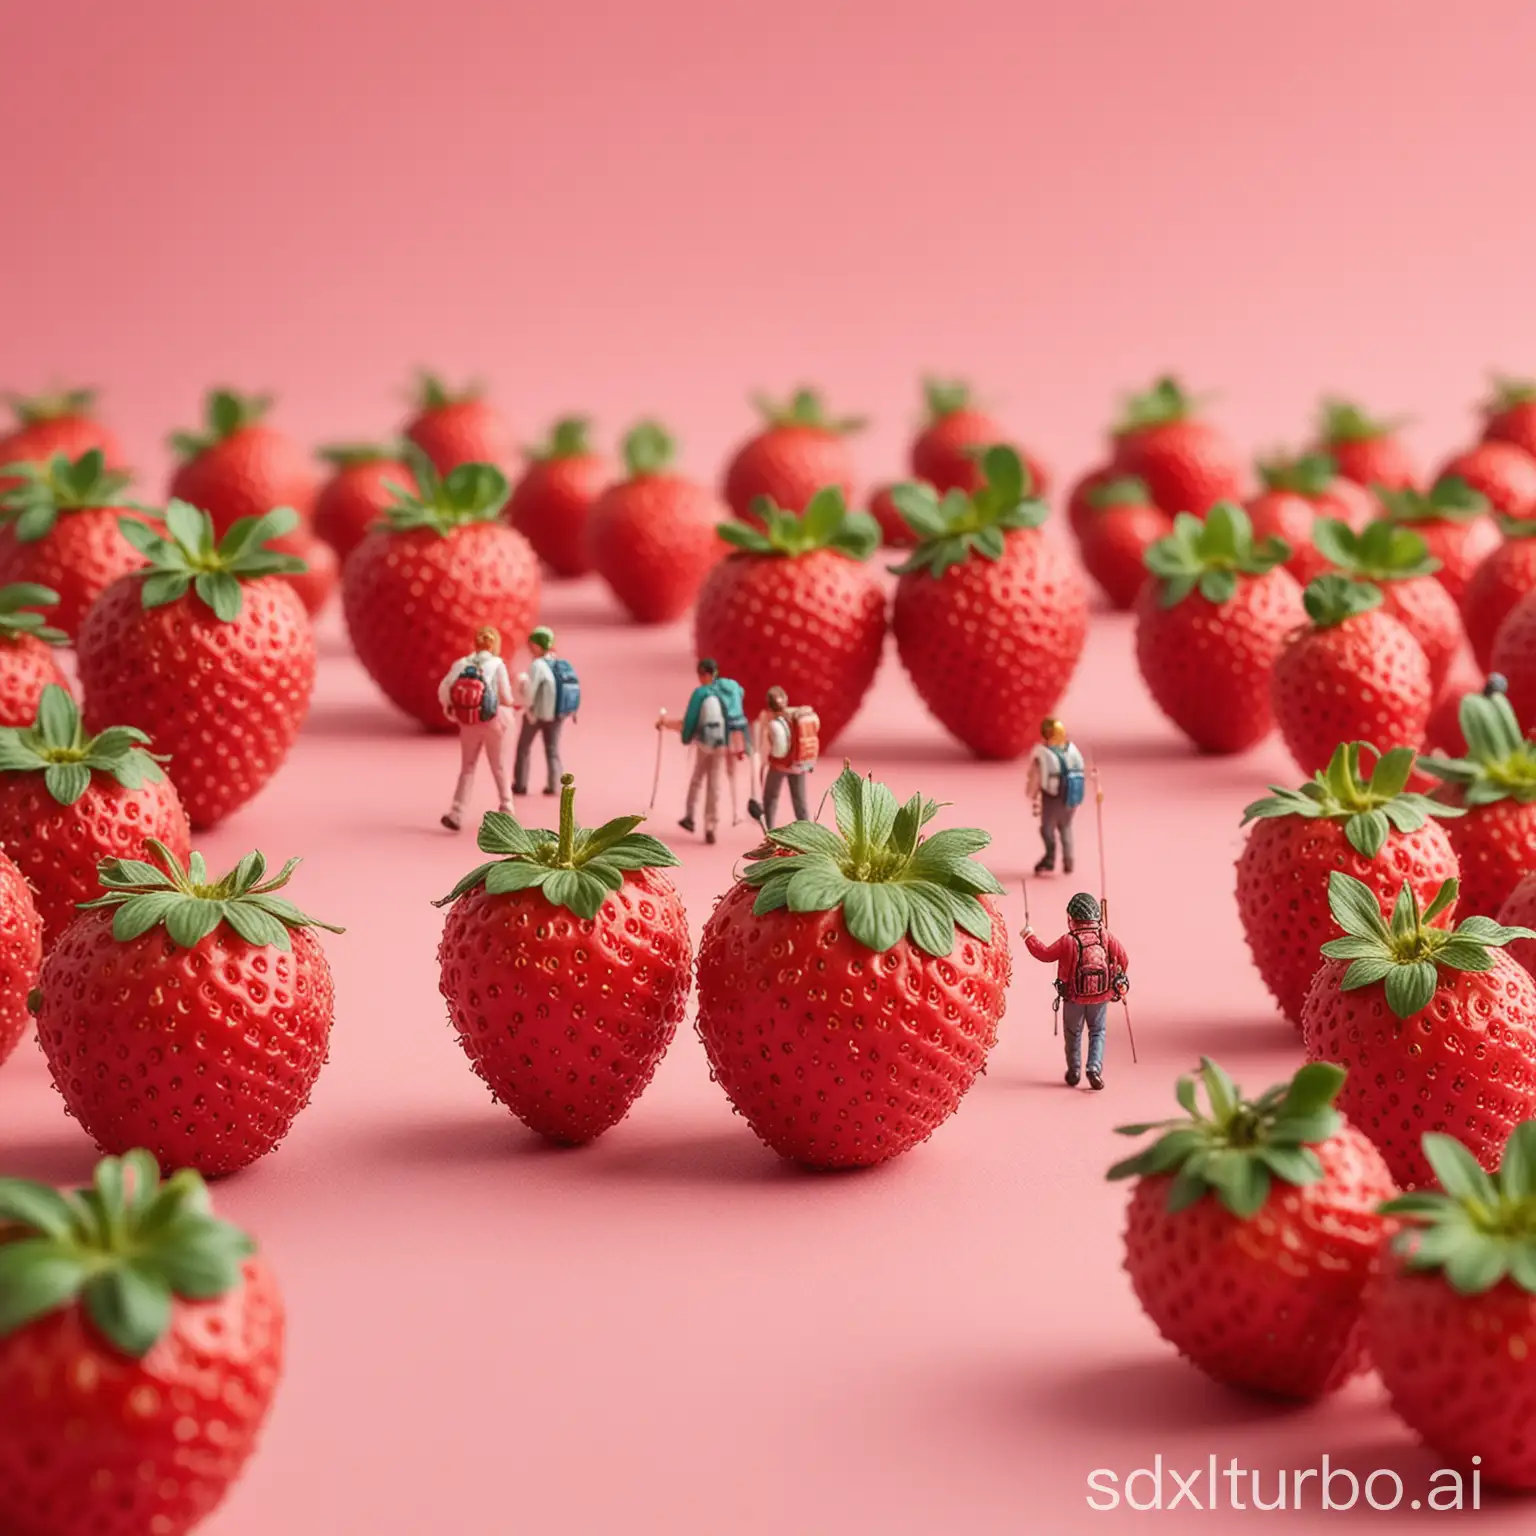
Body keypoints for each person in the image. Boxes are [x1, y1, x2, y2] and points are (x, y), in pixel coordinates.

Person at [1020, 892, 1128, 1090]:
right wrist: (1117, 978)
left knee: (1073, 1033)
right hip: (1101, 996)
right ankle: (1094, 1068)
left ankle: (1074, 1071)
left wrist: (1029, 936)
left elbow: (1044, 954)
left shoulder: (1068, 941)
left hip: (1073, 997)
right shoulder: (1105, 936)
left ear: (1071, 918)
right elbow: (1123, 959)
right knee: (1098, 1032)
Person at [438, 626, 518, 831]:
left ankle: (457, 812)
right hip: (493, 722)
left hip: (468, 723)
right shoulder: (497, 665)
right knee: (499, 767)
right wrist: (514, 703)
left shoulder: (461, 664)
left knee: (467, 768)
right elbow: (506, 696)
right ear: (494, 645)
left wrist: (451, 710)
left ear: (475, 644)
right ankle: (507, 809)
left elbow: (444, 690)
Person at [657, 658, 744, 844]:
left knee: (697, 779)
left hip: (705, 744)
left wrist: (669, 726)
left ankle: (690, 816)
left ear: (704, 674)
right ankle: (711, 826)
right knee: (715, 785)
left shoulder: (700, 694)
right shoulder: (725, 692)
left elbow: (688, 723)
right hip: (722, 744)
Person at [513, 626, 578, 797]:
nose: (529, 648)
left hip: (537, 714)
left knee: (523, 749)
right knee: (552, 750)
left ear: (537, 645)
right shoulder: (558, 663)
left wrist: (523, 690)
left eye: (532, 644)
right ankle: (555, 785)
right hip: (558, 714)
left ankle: (520, 784)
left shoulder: (537, 666)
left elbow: (530, 693)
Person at [1026, 717, 1086, 875]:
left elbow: (1036, 777)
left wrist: (1032, 794)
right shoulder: (1071, 750)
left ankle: (1050, 858)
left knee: (1047, 828)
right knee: (1065, 827)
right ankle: (1069, 860)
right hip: (1071, 795)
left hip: (1052, 796)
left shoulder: (1043, 754)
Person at [753, 686, 819, 828]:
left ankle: (770, 833)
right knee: (800, 802)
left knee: (770, 798)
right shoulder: (797, 714)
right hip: (798, 765)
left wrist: (763, 763)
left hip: (779, 765)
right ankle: (807, 835)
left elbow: (766, 746)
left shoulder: (768, 719)